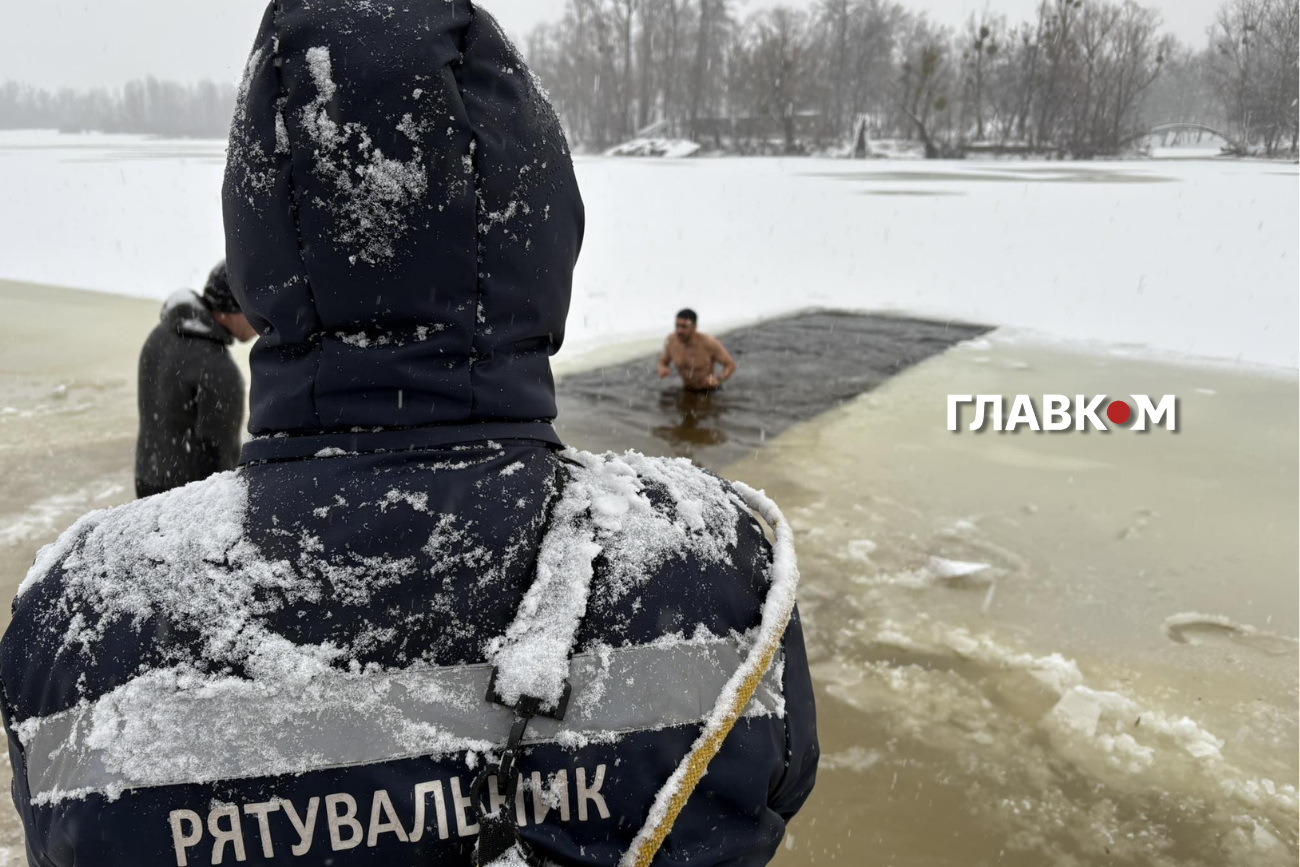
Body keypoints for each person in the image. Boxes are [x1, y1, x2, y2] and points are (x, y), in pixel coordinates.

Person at [0, 4, 817, 867]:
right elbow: (775, 783)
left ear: (262, 234)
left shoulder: (78, 622)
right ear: (543, 228)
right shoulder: (724, 571)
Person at [134, 261, 257, 498]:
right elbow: (223, 456)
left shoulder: (161, 334)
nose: (261, 321)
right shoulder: (218, 369)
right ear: (233, 307)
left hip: (147, 479)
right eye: (255, 310)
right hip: (186, 496)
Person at [657, 309, 737, 391]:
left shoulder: (708, 343)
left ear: (694, 327)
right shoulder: (672, 341)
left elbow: (730, 365)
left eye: (684, 327)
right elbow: (663, 361)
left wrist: (718, 379)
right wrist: (662, 368)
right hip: (687, 389)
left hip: (708, 390)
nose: (679, 331)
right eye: (677, 326)